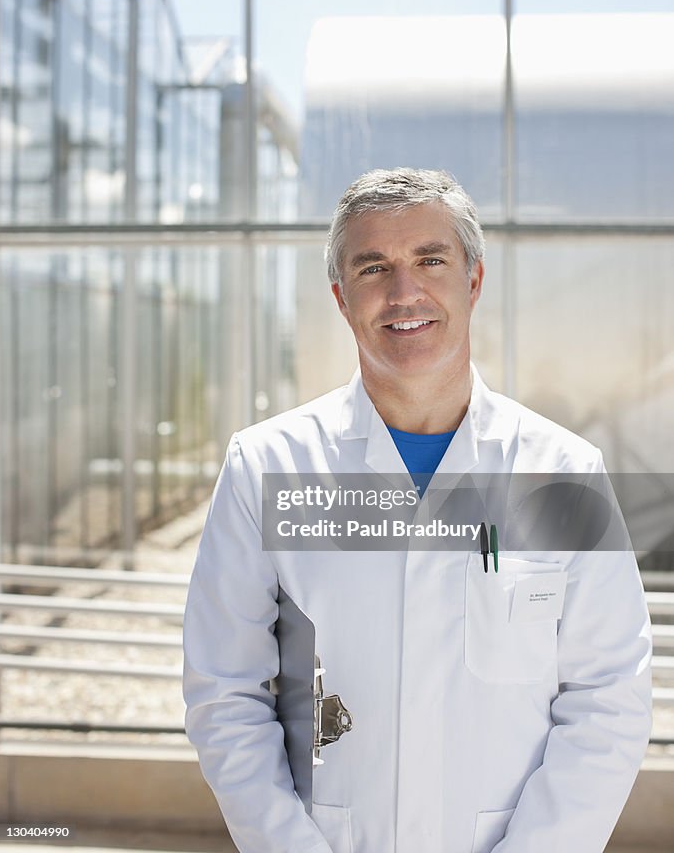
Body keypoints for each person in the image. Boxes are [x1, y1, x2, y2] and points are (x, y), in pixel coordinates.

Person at [183, 168, 652, 853]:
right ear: (341, 299)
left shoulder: (561, 472)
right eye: (373, 268)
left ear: (473, 280)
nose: (404, 292)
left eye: (430, 259)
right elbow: (225, 693)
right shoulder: (268, 466)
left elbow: (607, 699)